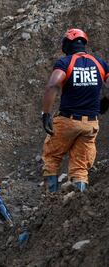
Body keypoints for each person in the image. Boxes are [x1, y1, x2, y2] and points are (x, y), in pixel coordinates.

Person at [41, 29, 109, 193]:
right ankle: (79, 199)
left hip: (67, 121)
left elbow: (52, 85)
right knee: (80, 167)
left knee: (52, 157)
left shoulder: (65, 63)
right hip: (91, 124)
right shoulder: (100, 63)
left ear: (68, 43)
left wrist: (46, 114)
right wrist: (105, 103)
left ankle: (50, 199)